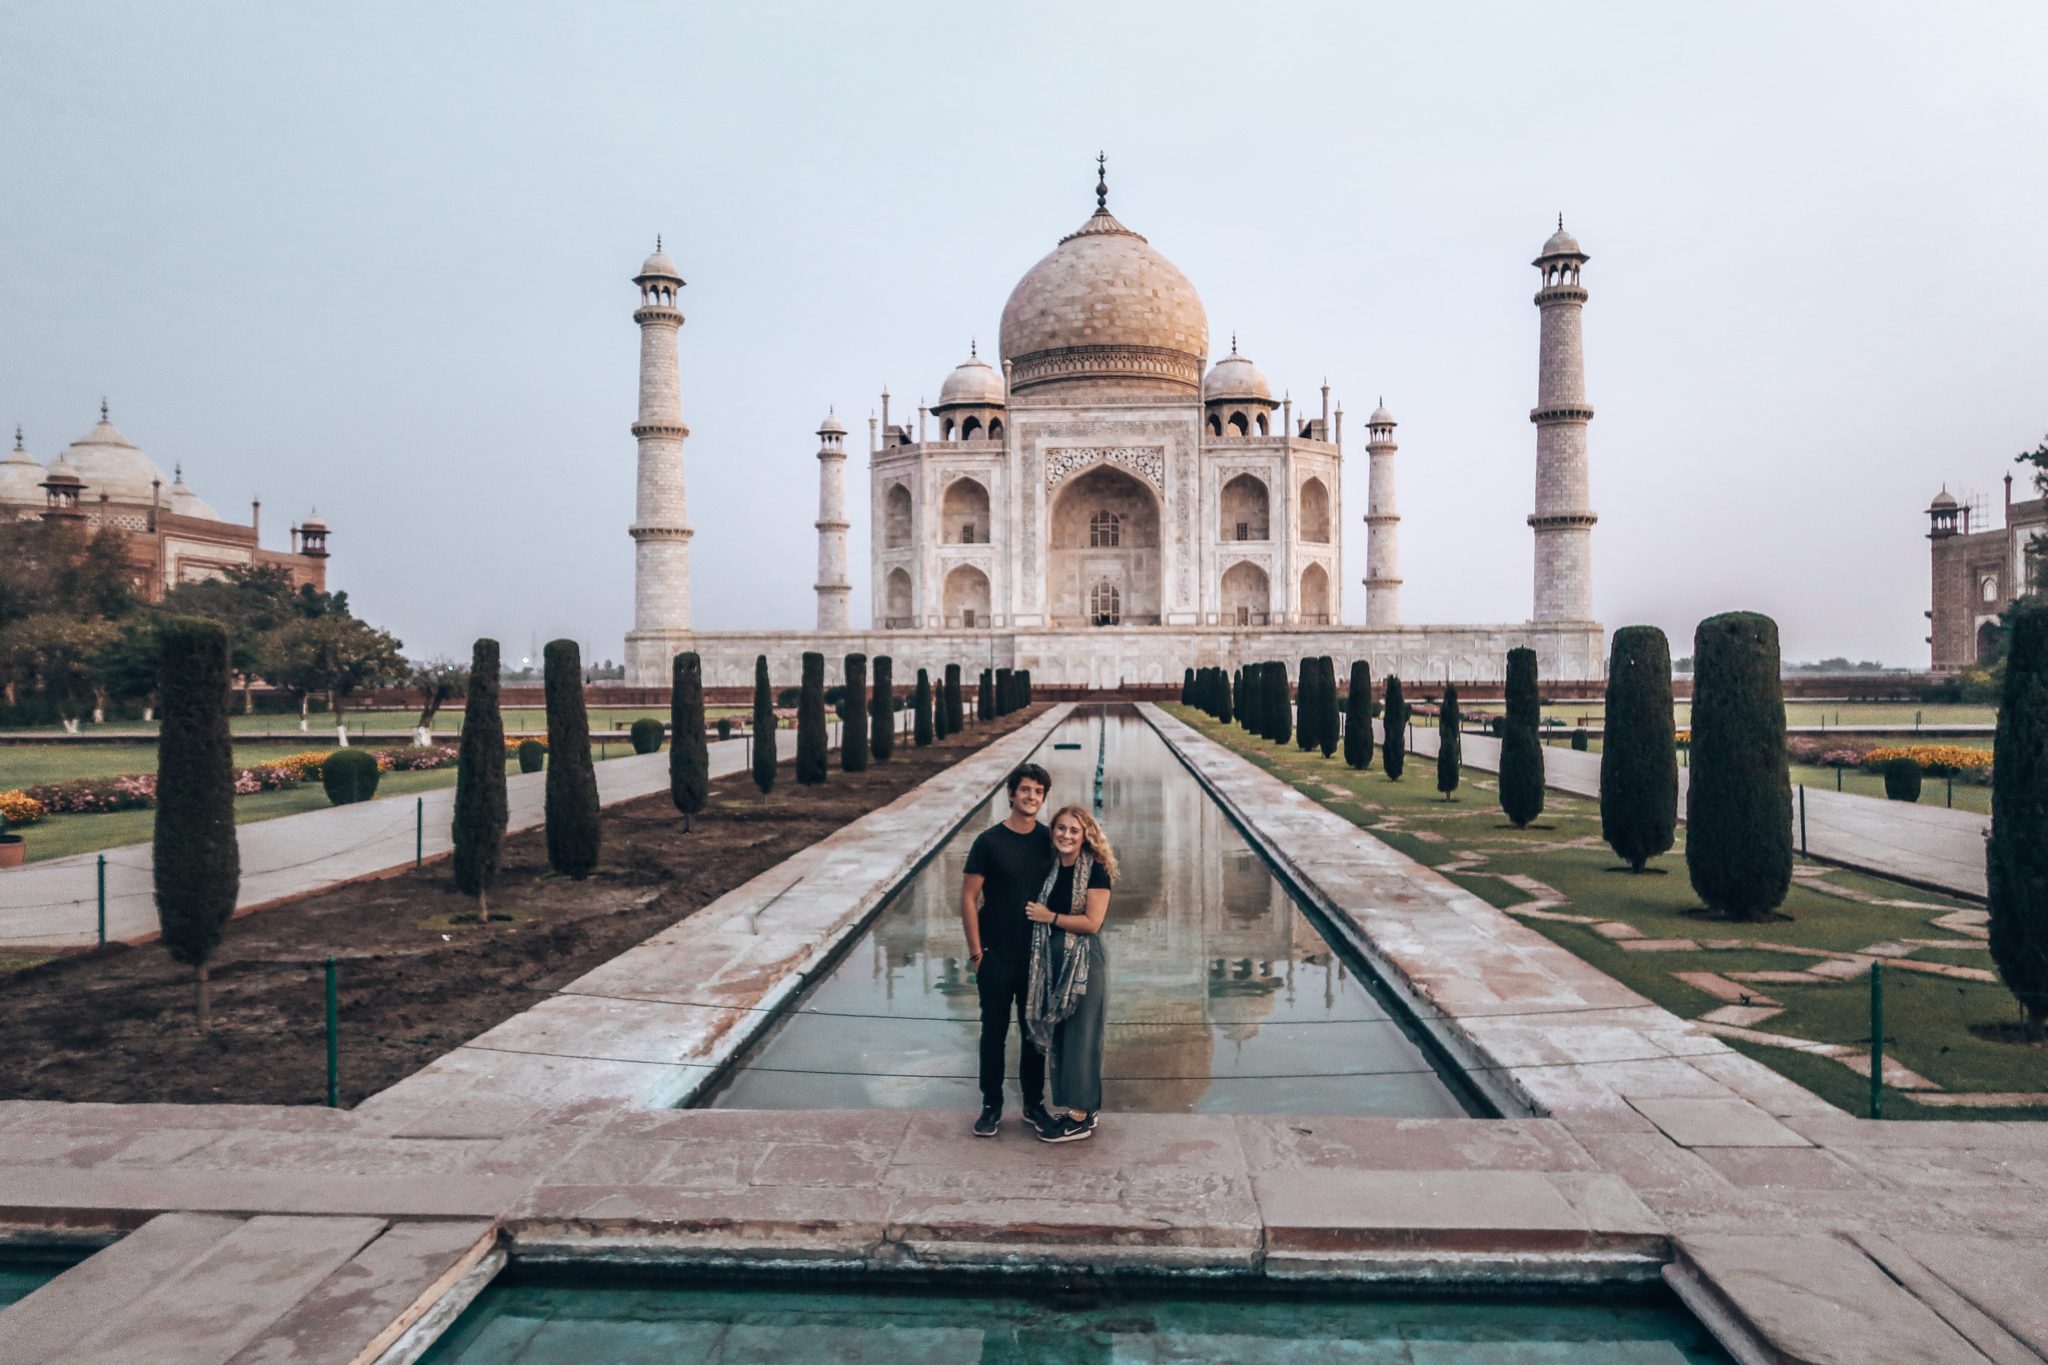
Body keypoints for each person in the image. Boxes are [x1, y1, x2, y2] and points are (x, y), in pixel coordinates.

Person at [960, 763, 1057, 1137]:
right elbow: (969, 898)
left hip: (1036, 956)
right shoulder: (988, 842)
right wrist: (976, 954)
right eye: (1026, 789)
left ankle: (1034, 1104)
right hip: (996, 954)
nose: (1031, 797)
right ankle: (991, 1104)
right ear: (1012, 794)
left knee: (1034, 1035)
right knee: (993, 1033)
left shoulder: (1049, 840)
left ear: (1043, 798)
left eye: (1038, 792)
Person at [1024, 805, 1116, 1142]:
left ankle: (1080, 1115)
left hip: (1084, 963)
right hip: (1057, 963)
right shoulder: (1053, 867)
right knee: (1063, 1037)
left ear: (1085, 835)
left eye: (1074, 830)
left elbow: (1092, 922)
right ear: (1053, 832)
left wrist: (1049, 917)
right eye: (1061, 828)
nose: (1066, 835)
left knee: (1082, 1036)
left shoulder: (1096, 869)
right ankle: (1078, 1108)